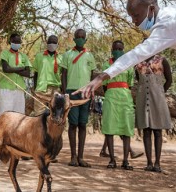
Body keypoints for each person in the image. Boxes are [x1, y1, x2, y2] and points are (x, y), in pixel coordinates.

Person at [77, 0, 176, 98]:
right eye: (131, 17)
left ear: (151, 9)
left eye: (136, 15)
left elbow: (137, 54)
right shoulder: (175, 10)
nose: (133, 21)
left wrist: (100, 77)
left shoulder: (166, 25)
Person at [60, 29, 96, 168]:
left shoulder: (89, 56)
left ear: (85, 40)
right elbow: (63, 74)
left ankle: (81, 157)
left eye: (83, 37)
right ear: (74, 39)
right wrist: (65, 93)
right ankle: (73, 156)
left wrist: (92, 93)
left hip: (86, 92)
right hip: (72, 92)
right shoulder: (67, 54)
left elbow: (92, 76)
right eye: (78, 37)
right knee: (73, 124)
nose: (80, 39)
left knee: (82, 124)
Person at [101, 40, 136, 170]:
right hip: (110, 97)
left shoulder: (129, 64)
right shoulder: (106, 64)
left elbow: (130, 84)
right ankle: (111, 160)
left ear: (124, 50)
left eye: (120, 49)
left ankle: (126, 161)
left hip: (125, 97)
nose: (118, 51)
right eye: (116, 48)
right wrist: (111, 92)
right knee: (109, 128)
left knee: (126, 128)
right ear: (112, 50)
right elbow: (104, 85)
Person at [135, 54, 173, 173]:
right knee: (146, 130)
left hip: (157, 97)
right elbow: (138, 78)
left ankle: (157, 163)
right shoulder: (138, 61)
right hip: (143, 97)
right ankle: (149, 163)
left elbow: (169, 79)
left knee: (157, 130)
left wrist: (160, 90)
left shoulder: (162, 60)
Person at [0, 33, 31, 116]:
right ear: (10, 42)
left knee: (19, 115)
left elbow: (28, 73)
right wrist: (22, 68)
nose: (16, 43)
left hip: (19, 88)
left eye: (18, 42)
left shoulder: (24, 56)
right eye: (14, 41)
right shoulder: (4, 53)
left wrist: (12, 69)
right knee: (5, 114)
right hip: (6, 88)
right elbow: (6, 69)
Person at [32, 35, 62, 115]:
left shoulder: (61, 58)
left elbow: (63, 75)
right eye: (50, 42)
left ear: (57, 44)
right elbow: (36, 73)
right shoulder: (39, 56)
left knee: (55, 115)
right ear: (47, 43)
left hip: (56, 90)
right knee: (39, 115)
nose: (52, 44)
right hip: (41, 89)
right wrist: (35, 89)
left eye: (54, 43)